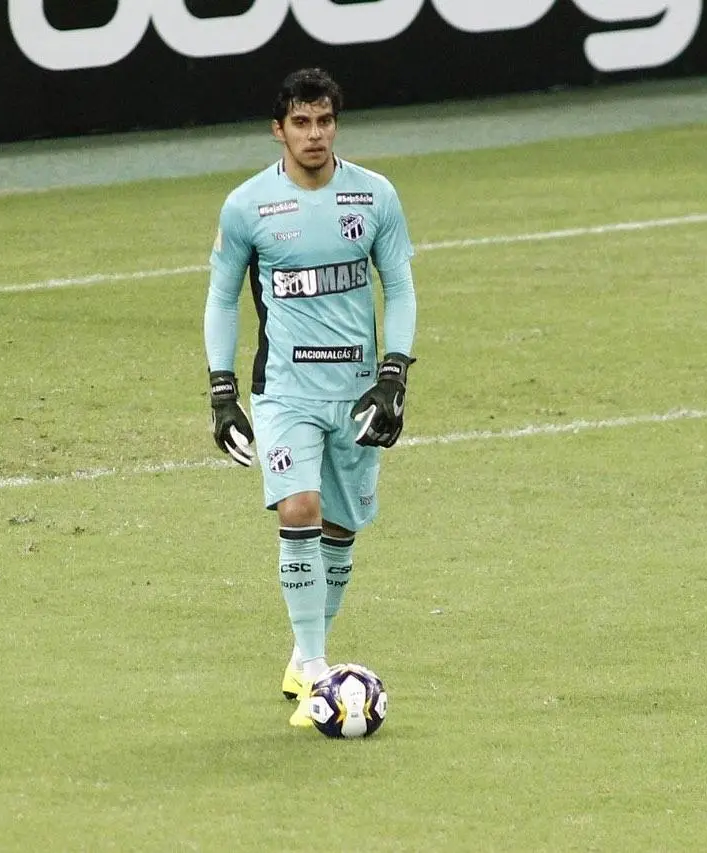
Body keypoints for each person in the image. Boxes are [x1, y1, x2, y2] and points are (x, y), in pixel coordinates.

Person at [203, 67, 417, 729]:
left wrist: (393, 377)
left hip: (355, 395)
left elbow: (400, 289)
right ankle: (320, 670)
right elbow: (221, 297)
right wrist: (221, 391)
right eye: (301, 121)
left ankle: (303, 657)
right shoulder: (247, 206)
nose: (314, 133)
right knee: (298, 505)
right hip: (284, 391)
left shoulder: (374, 196)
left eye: (324, 120)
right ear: (279, 129)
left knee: (340, 528)